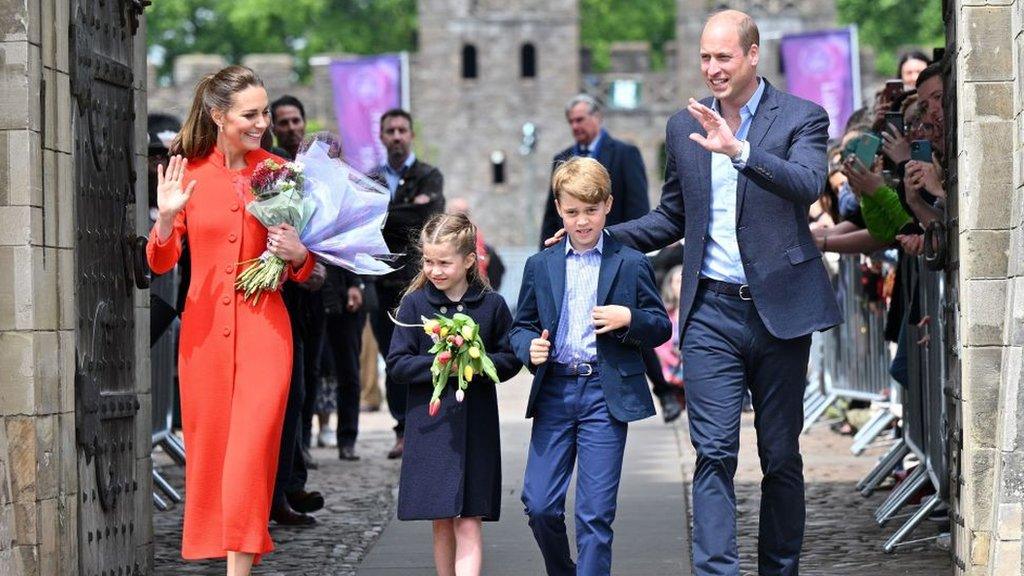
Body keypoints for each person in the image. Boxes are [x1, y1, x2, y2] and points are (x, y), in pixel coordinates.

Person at [548, 11, 842, 575]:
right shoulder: (682, 128)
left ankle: (780, 569)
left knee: (780, 457)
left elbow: (807, 185)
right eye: (705, 57)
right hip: (711, 314)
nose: (712, 68)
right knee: (712, 454)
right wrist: (601, 234)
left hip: (781, 311)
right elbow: (671, 218)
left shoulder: (803, 117)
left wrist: (739, 151)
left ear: (753, 56)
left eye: (723, 57)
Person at [147, 65, 317, 575]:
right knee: (212, 459)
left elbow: (305, 270)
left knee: (248, 457)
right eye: (251, 113)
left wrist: (297, 253)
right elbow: (159, 263)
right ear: (219, 116)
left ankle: (238, 570)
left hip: (266, 334)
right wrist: (166, 217)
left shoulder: (280, 173)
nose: (262, 122)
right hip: (203, 340)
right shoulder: (187, 174)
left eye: (264, 112)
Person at [513, 157, 671, 576]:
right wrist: (529, 345)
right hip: (555, 393)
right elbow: (521, 325)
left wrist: (629, 319)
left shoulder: (632, 262)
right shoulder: (540, 264)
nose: (582, 222)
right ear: (558, 209)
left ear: (608, 206)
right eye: (572, 212)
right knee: (540, 503)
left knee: (594, 515)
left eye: (590, 210)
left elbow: (659, 326)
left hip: (605, 394)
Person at [387, 213, 522, 576]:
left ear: (468, 260)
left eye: (444, 262)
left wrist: (476, 363)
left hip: (475, 426)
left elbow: (510, 359)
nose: (435, 270)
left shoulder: (491, 305)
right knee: (442, 519)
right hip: (431, 428)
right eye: (429, 261)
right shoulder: (415, 305)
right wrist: (439, 362)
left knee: (469, 518)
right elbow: (397, 364)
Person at [541, 95, 682, 422]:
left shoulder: (624, 153)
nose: (576, 127)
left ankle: (661, 391)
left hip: (617, 256)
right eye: (571, 122)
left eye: (581, 120)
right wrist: (546, 252)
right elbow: (552, 215)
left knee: (630, 323)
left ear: (597, 117)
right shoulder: (561, 159)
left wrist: (624, 249)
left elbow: (637, 206)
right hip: (572, 256)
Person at [369, 108, 446, 459]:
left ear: (411, 134)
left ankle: (427, 426)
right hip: (383, 283)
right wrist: (404, 211)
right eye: (390, 131)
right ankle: (402, 429)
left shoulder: (430, 175)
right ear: (383, 137)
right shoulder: (371, 179)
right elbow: (367, 225)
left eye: (402, 130)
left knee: (426, 354)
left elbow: (427, 219)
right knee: (394, 358)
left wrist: (388, 213)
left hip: (420, 281)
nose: (397, 136)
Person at [267, 95, 327, 527]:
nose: (289, 127)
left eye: (295, 120)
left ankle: (288, 485)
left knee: (298, 397)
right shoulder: (268, 172)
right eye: (279, 120)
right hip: (272, 301)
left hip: (306, 300)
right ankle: (276, 491)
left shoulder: (311, 175)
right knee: (280, 402)